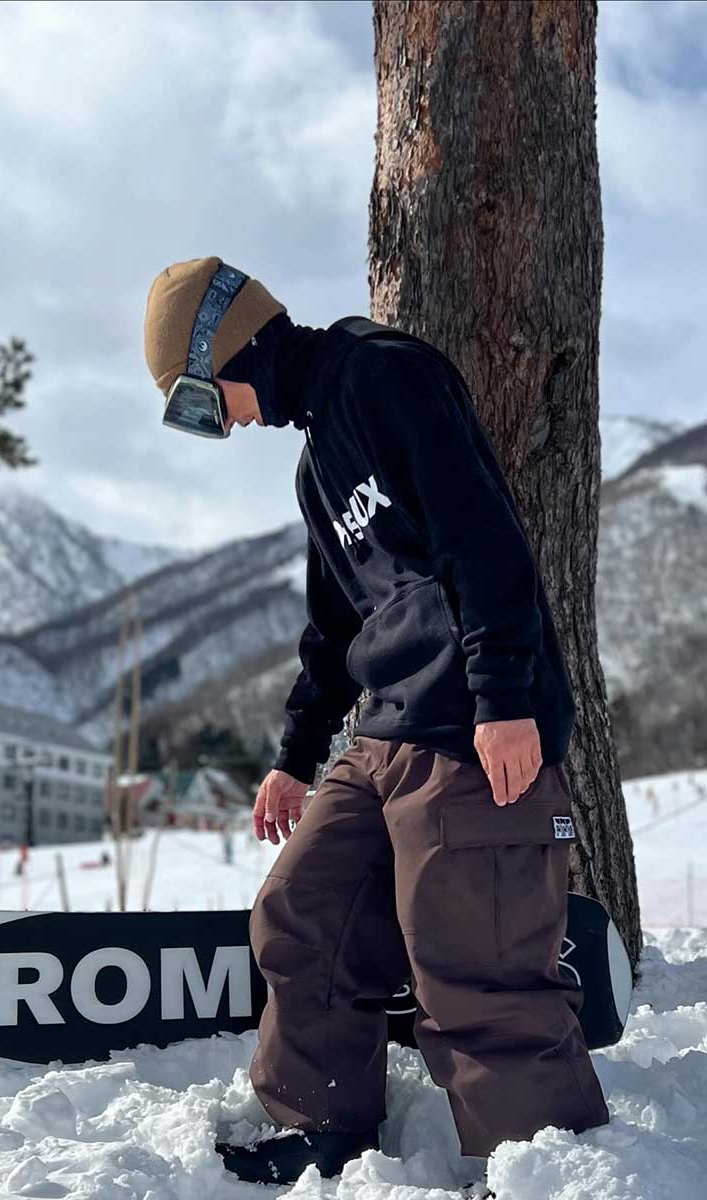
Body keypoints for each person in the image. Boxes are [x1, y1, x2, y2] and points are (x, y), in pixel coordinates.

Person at [143, 257, 609, 1186]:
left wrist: (503, 698)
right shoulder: (317, 467)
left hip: (470, 721)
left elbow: (482, 534)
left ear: (227, 347)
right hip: (385, 733)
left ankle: (546, 1174)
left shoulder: (385, 374)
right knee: (302, 914)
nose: (222, 427)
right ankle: (321, 1122)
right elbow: (335, 628)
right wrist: (294, 757)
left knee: (476, 968)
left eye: (199, 403)